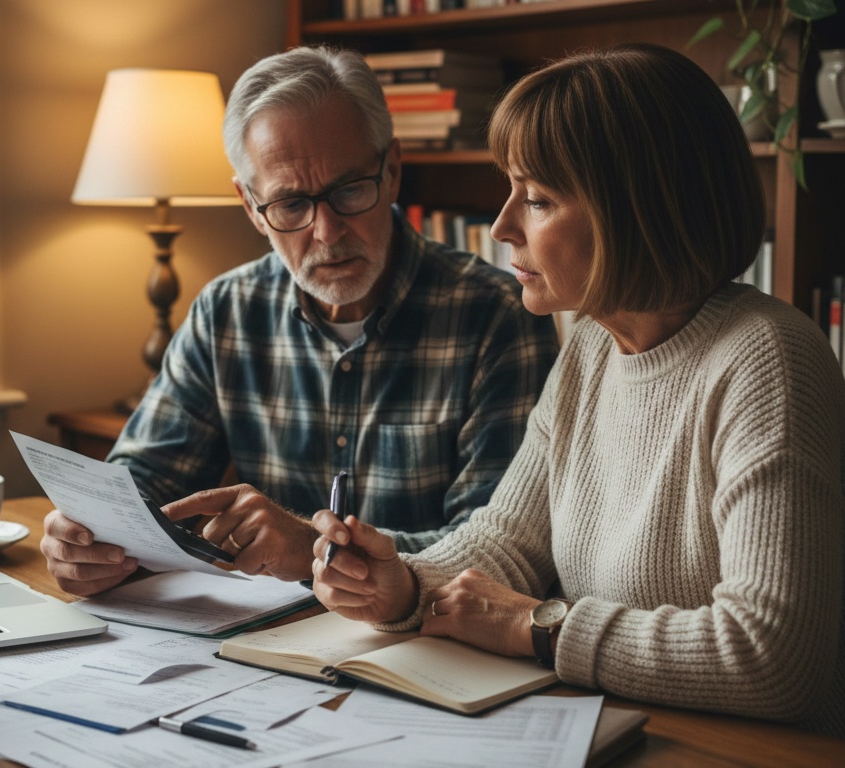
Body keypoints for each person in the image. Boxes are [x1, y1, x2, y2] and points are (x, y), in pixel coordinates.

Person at [311, 43, 845, 737]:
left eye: (536, 198)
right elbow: (511, 541)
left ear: (638, 210)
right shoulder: (594, 344)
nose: (503, 226)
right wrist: (404, 586)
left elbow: (771, 657)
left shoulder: (766, 359)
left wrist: (536, 627)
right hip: (608, 727)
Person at [41, 46, 558, 595]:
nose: (328, 233)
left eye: (350, 190)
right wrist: (89, 535)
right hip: (256, 649)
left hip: (426, 648)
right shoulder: (227, 312)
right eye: (290, 205)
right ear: (249, 205)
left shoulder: (498, 318)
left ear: (392, 171)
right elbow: (143, 487)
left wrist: (313, 548)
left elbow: (498, 554)